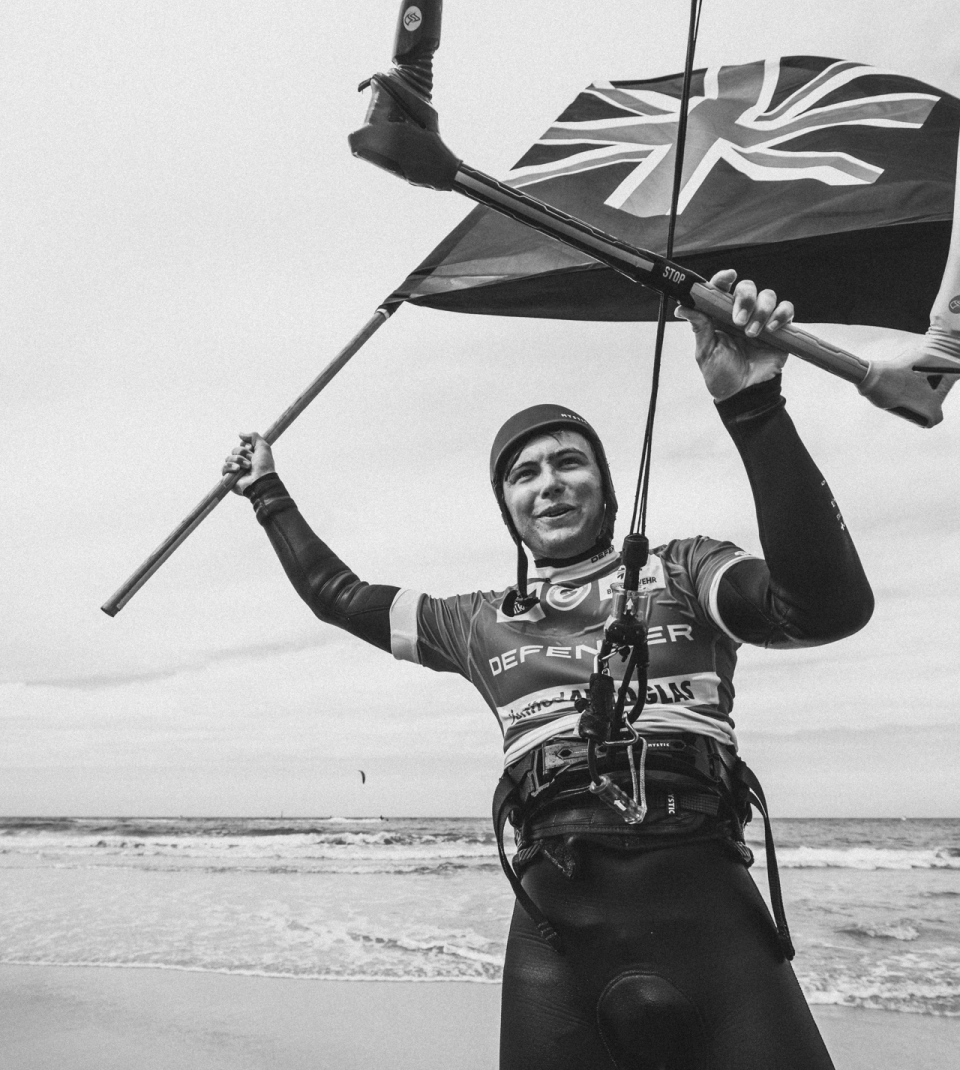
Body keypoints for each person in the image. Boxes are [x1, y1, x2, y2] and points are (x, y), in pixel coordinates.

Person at [223, 270, 873, 1070]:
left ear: (604, 487)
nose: (549, 483)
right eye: (523, 473)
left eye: (569, 462)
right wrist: (267, 492)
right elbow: (340, 596)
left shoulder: (684, 569)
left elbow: (825, 607)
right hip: (557, 948)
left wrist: (752, 405)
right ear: (508, 508)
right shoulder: (477, 621)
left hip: (715, 928)